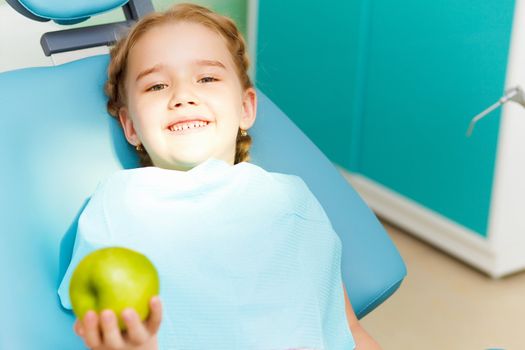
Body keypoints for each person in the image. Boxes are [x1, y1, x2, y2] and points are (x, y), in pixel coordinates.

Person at [58, 3, 381, 349]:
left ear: (246, 108)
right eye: (156, 86)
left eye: (207, 78)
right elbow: (106, 328)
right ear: (130, 126)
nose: (183, 97)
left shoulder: (291, 198)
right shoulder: (121, 200)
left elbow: (346, 325)